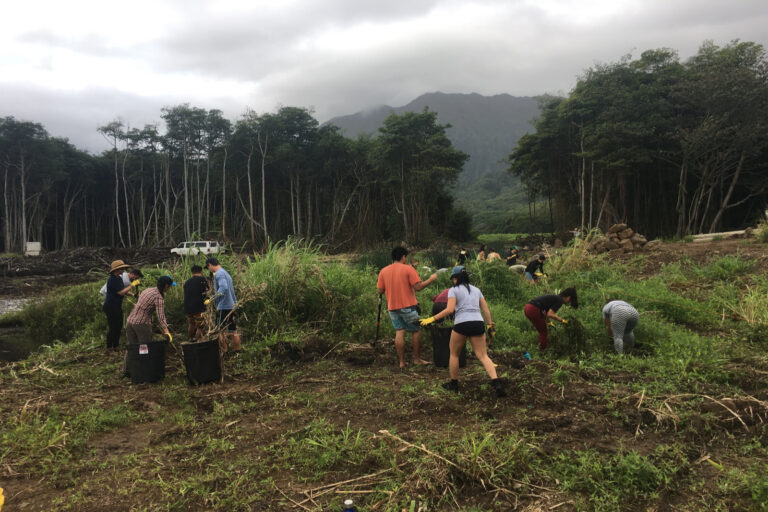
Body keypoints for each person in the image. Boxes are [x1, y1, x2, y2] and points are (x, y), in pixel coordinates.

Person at [420, 266, 505, 397]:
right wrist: (489, 324)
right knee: (483, 355)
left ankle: (454, 384)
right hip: (477, 323)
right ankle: (496, 382)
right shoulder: (476, 290)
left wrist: (432, 318)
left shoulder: (453, 290)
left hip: (462, 324)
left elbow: (449, 310)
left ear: (455, 278)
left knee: (454, 354)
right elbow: (486, 309)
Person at [377, 246, 438, 368]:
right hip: (408, 307)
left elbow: (380, 290)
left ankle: (402, 362)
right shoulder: (408, 269)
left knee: (399, 332)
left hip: (392, 308)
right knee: (416, 331)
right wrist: (431, 279)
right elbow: (418, 287)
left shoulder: (384, 271)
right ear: (403, 257)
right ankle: (416, 359)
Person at [124, 276, 175, 375]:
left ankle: (127, 371)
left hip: (130, 321)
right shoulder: (158, 297)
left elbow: (141, 304)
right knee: (144, 348)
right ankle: (143, 372)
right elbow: (161, 317)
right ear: (166, 286)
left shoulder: (148, 290)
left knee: (132, 347)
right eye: (169, 287)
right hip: (141, 324)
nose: (169, 289)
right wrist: (166, 331)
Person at [102, 260, 140, 350]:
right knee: (113, 326)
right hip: (111, 306)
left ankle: (115, 345)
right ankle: (110, 346)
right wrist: (132, 285)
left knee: (118, 326)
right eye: (122, 268)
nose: (123, 270)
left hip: (116, 306)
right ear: (117, 269)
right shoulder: (112, 280)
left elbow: (123, 290)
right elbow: (121, 292)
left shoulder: (118, 278)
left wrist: (134, 295)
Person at [205, 257, 241, 353]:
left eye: (208, 267)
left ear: (210, 265)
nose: (209, 269)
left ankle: (224, 352)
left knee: (220, 331)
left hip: (224, 306)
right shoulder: (225, 273)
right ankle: (237, 351)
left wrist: (212, 298)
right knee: (233, 330)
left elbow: (223, 287)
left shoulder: (219, 274)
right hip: (231, 306)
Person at [184, 265, 210, 340]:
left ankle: (189, 340)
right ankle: (196, 341)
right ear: (201, 271)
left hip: (188, 308)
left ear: (192, 272)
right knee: (200, 326)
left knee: (191, 324)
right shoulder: (203, 280)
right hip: (199, 308)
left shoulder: (187, 282)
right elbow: (208, 292)